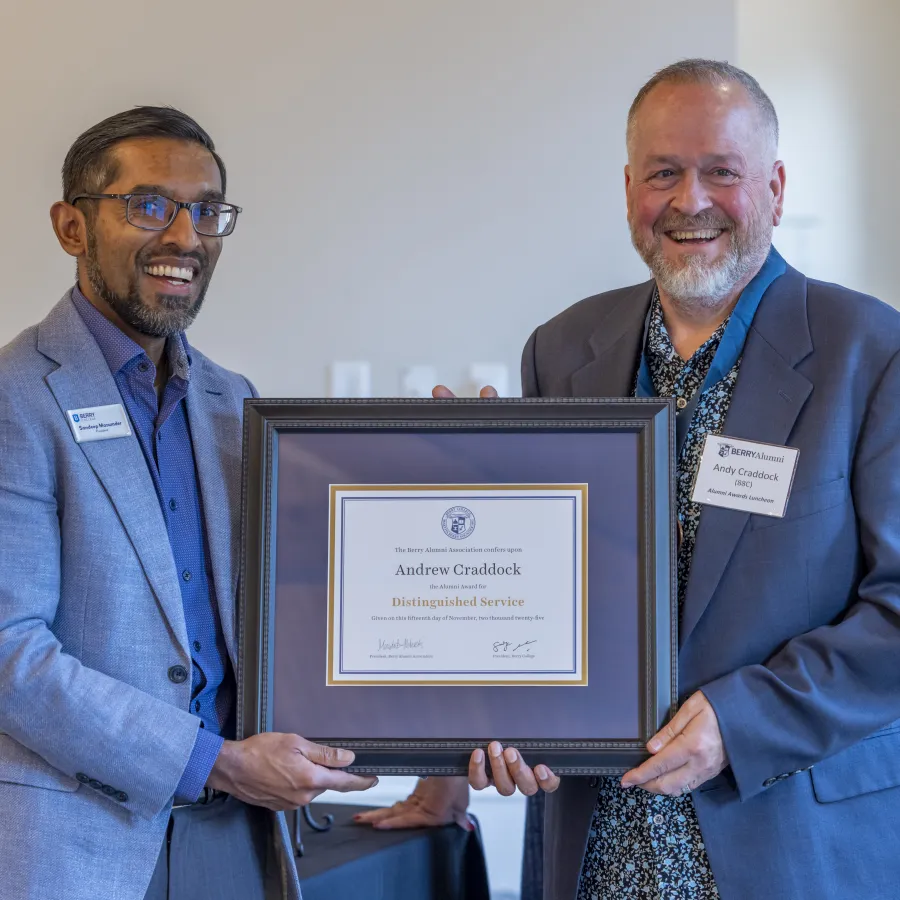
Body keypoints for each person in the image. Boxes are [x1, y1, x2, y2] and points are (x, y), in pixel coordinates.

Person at [358, 59, 900, 899]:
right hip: (596, 845)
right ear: (628, 190)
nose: (690, 200)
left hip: (791, 844)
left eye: (721, 171)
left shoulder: (870, 351)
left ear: (776, 187)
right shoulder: (563, 347)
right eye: (663, 173)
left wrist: (742, 720)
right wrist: (470, 491)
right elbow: (536, 599)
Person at [0, 106, 377, 900]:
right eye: (148, 205)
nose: (185, 236)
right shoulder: (15, 400)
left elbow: (296, 609)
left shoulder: (232, 403)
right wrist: (214, 760)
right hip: (76, 849)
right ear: (72, 226)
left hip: (237, 842)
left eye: (207, 210)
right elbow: (10, 656)